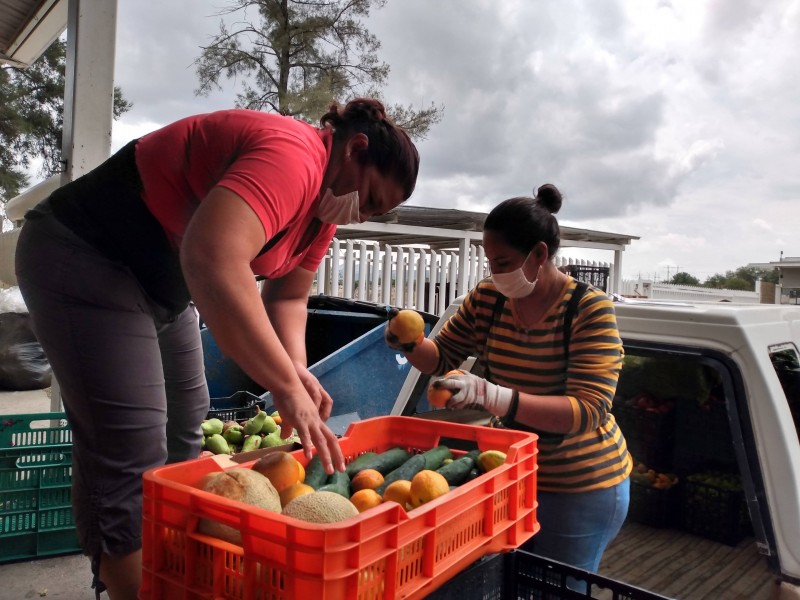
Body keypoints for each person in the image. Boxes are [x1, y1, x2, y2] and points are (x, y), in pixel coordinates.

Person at [15, 98, 419, 600]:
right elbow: (213, 258)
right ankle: (124, 586)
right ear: (355, 149)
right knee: (131, 447)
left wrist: (295, 369)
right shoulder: (294, 156)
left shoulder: (322, 213)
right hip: (86, 254)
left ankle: (171, 569)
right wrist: (283, 386)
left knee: (184, 430)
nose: (362, 216)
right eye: (372, 200)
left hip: (166, 286)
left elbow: (289, 297)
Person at [385, 184, 631, 579]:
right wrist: (410, 341)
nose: (494, 273)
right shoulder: (489, 298)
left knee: (557, 588)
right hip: (512, 474)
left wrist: (488, 394)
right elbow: (441, 356)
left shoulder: (589, 309)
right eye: (489, 262)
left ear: (539, 254)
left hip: (580, 485)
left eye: (503, 262)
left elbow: (587, 411)